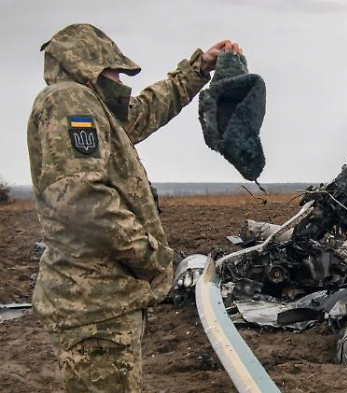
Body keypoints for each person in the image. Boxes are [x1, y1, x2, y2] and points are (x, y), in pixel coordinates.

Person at [27, 23, 241, 392]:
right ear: (87, 67)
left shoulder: (93, 106)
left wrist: (198, 69)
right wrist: (152, 258)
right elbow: (83, 200)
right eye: (112, 70)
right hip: (94, 306)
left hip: (101, 303)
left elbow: (141, 113)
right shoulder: (69, 101)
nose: (118, 79)